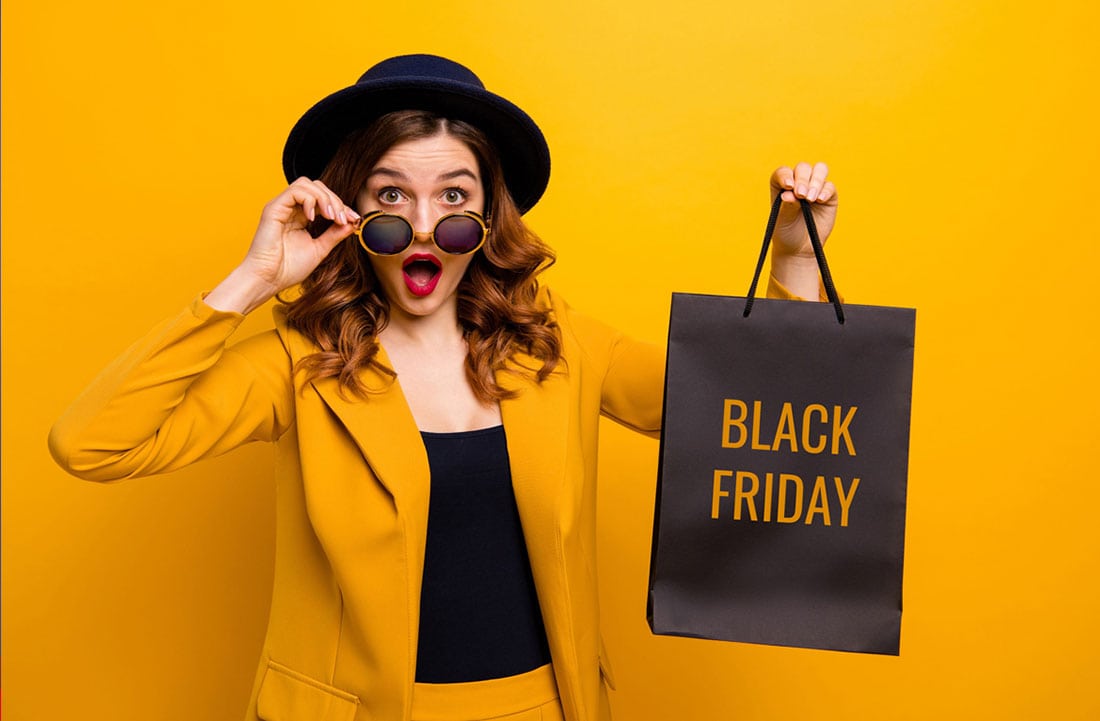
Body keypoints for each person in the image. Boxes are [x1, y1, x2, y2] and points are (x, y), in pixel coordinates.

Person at [49, 54, 838, 721]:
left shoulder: (555, 344)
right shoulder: (296, 363)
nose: (423, 227)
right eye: (391, 197)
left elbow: (741, 408)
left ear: (490, 216)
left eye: (454, 198)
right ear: (348, 212)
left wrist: (795, 261)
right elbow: (94, 442)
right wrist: (254, 280)